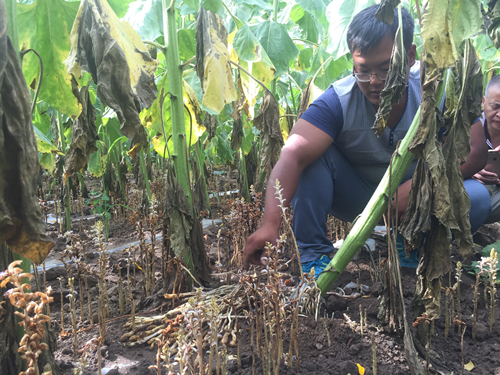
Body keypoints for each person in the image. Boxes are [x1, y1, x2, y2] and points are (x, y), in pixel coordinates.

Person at [243, 5, 490, 274]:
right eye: (362, 70)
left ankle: (410, 241)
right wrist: (270, 223)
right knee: (311, 155)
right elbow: (292, 154)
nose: (374, 81)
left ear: (410, 56)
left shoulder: (438, 89)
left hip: (419, 197)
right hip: (358, 198)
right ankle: (313, 254)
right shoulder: (338, 100)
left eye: (386, 69)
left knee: (476, 198)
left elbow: (475, 151)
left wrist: (423, 184)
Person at [473, 74, 500, 223]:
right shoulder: (469, 127)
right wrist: (469, 170)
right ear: (483, 102)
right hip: (473, 187)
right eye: (496, 106)